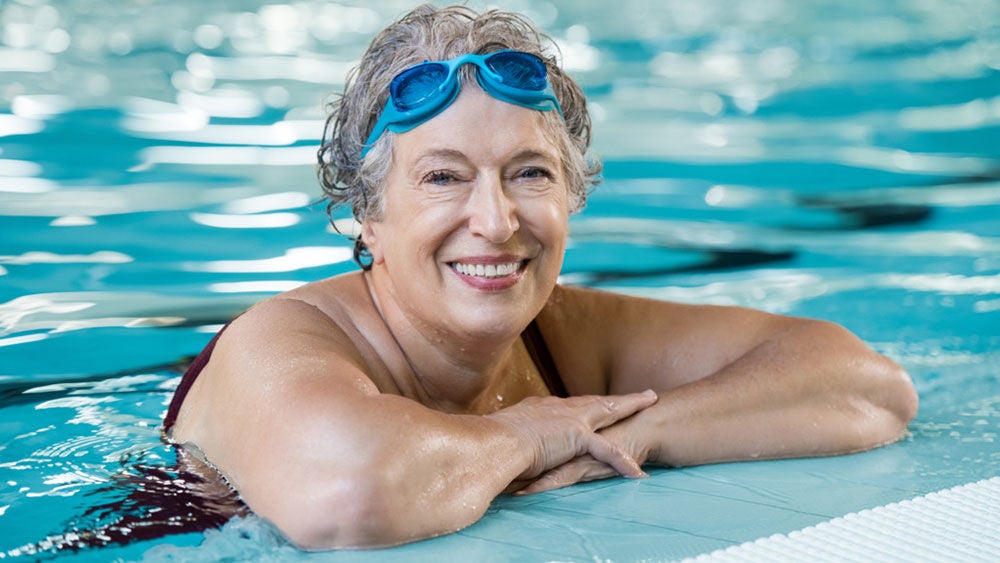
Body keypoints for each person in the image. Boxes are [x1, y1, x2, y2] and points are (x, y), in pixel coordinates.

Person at [162, 3, 918, 551]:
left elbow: (868, 388)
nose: (496, 222)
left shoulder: (559, 334)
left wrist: (641, 431)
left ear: (571, 195)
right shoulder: (281, 341)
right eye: (443, 177)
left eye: (529, 173)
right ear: (368, 215)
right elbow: (352, 494)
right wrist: (527, 433)